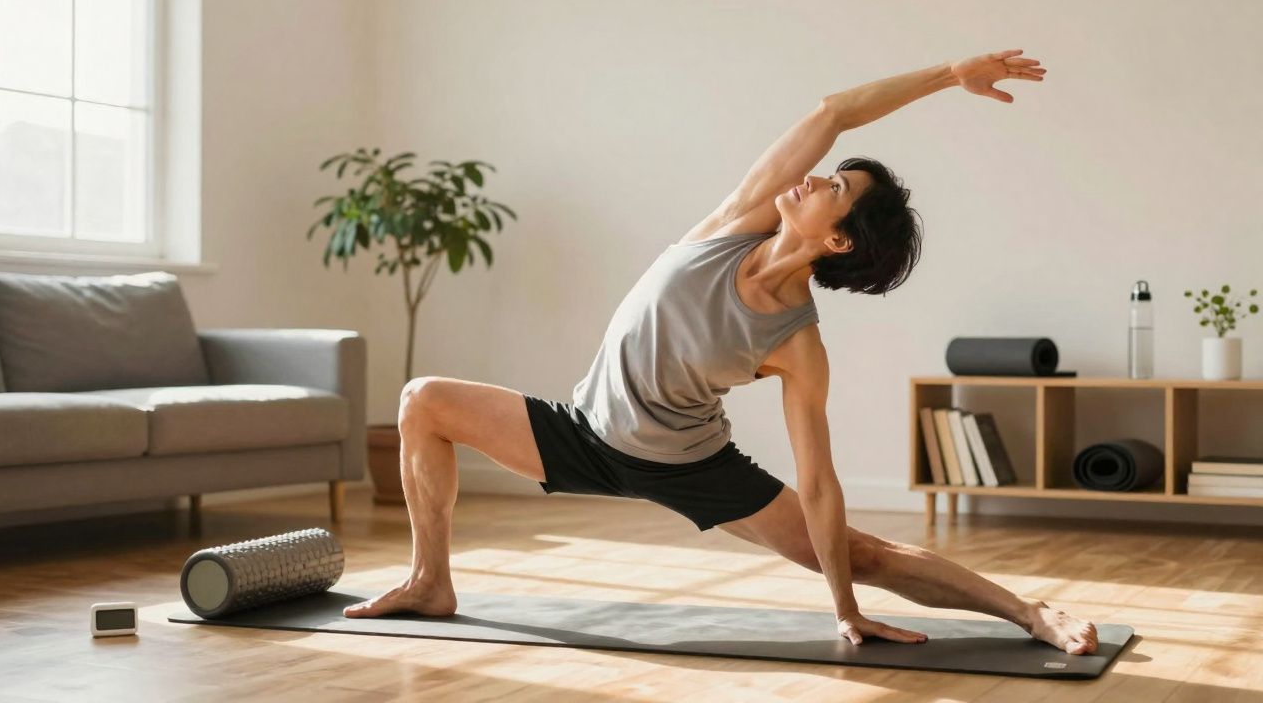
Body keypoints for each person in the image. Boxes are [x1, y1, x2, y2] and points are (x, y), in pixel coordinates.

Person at [345, 48, 1100, 657]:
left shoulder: (797, 342)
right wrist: (947, 74)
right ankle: (429, 581)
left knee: (862, 551)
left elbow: (819, 484)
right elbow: (833, 112)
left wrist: (845, 606)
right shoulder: (736, 221)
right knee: (423, 402)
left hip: (692, 467)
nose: (811, 178)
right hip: (583, 430)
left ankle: (1029, 613)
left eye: (833, 186)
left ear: (836, 239)